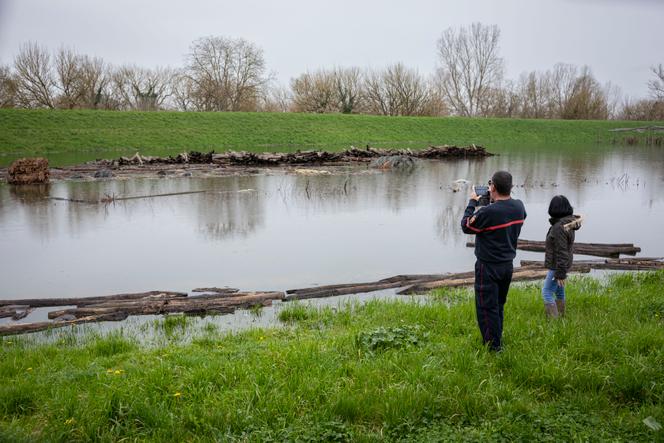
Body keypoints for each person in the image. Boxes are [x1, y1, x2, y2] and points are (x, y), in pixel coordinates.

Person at [461, 171, 526, 352]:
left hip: (487, 267)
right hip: (507, 265)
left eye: (490, 185)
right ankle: (496, 338)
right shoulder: (519, 207)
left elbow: (466, 226)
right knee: (498, 304)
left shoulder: (489, 212)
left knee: (486, 307)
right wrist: (493, 202)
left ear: (493, 188)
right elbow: (506, 212)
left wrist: (473, 202)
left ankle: (493, 348)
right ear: (511, 188)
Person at [542, 195, 581, 319]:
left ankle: (553, 322)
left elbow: (562, 251)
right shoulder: (568, 223)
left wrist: (560, 273)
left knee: (547, 292)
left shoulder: (559, 227)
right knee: (559, 290)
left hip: (557, 265)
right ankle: (562, 316)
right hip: (561, 264)